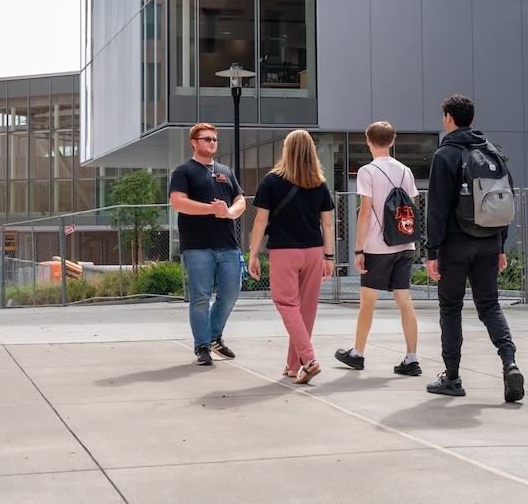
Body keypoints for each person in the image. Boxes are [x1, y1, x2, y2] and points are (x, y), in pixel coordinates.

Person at [424, 95, 524, 402]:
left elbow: (437, 209)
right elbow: (503, 198)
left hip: (455, 244)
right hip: (490, 241)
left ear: (450, 119)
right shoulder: (492, 152)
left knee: (451, 308)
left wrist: (432, 252)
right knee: (489, 305)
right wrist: (502, 244)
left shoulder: (446, 154)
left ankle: (452, 378)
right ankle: (509, 362)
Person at [335, 121, 422, 377]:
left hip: (377, 246)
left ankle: (358, 354)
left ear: (368, 141)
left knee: (368, 301)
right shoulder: (406, 171)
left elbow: (364, 213)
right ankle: (411, 358)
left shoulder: (367, 171)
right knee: (404, 300)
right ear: (393, 141)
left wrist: (358, 250)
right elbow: (412, 206)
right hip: (404, 244)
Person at [247, 130, 335, 384]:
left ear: (287, 150)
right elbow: (327, 224)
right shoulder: (320, 183)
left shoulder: (271, 181)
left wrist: (253, 255)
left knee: (286, 305)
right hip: (314, 251)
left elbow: (261, 220)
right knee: (305, 311)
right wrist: (328, 257)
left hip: (285, 252)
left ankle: (309, 359)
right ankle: (292, 365)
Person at [168, 122, 247, 366]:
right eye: (206, 139)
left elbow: (240, 200)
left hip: (228, 245)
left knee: (231, 294)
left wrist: (230, 213)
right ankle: (202, 345)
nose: (211, 142)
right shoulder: (184, 171)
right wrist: (211, 210)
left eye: (214, 139)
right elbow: (178, 202)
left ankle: (214, 336)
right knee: (200, 297)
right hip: (198, 246)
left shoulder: (225, 170)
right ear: (194, 142)